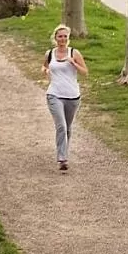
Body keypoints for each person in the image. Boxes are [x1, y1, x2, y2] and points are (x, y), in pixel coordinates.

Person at [41, 24, 87, 171]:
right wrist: (46, 70)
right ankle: (62, 159)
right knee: (60, 125)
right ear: (55, 38)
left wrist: (74, 63)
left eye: (65, 36)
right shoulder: (50, 53)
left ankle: (64, 152)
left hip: (73, 96)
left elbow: (85, 72)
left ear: (68, 38)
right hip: (54, 94)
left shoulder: (74, 53)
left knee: (67, 127)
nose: (63, 39)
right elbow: (44, 66)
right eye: (60, 36)